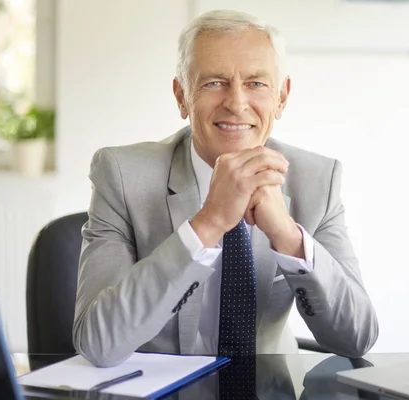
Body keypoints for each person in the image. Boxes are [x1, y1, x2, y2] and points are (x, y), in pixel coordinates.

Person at [72, 9, 378, 368]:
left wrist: (288, 236)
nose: (236, 103)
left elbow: (357, 337)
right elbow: (98, 342)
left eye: (256, 83)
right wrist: (209, 222)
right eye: (214, 82)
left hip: (271, 388)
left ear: (281, 97)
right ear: (182, 96)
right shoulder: (121, 175)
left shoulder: (317, 181)